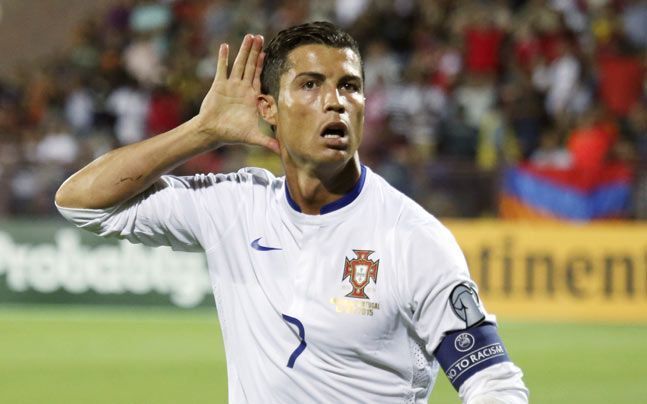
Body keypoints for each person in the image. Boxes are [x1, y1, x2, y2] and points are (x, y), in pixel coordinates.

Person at [55, 21, 528, 403]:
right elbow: (80, 202)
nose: (335, 101)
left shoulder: (412, 238)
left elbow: (493, 383)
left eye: (350, 86)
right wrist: (201, 132)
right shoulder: (234, 208)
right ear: (269, 108)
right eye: (310, 84)